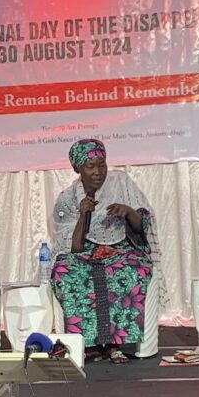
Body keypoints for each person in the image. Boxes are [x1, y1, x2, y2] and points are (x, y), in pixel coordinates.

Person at [51, 139, 159, 364]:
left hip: (121, 248)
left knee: (131, 272)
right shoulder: (68, 199)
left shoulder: (121, 182)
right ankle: (88, 344)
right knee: (66, 272)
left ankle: (113, 344)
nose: (98, 171)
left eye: (102, 164)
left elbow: (142, 225)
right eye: (90, 166)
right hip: (84, 253)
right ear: (77, 168)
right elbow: (75, 247)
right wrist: (83, 214)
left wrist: (128, 212)